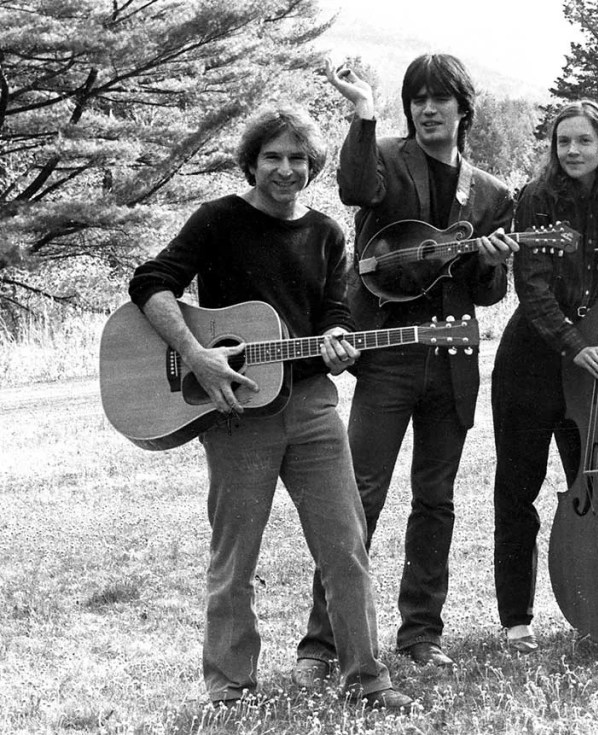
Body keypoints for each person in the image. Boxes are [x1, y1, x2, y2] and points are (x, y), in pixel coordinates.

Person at [127, 107, 412, 709]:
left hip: (312, 407)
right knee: (236, 556)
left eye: (298, 159)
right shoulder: (218, 220)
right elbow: (150, 281)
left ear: (313, 166)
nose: (285, 170)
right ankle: (228, 686)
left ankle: (366, 677)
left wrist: (338, 344)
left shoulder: (329, 234)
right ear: (252, 162)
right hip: (236, 412)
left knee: (346, 548)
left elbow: (335, 310)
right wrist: (197, 354)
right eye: (273, 157)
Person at [293, 53, 517, 677]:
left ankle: (421, 632)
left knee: (435, 499)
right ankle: (324, 641)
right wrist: (362, 113)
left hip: (452, 360)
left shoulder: (493, 194)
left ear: (463, 107)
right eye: (416, 98)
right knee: (357, 496)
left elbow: (489, 291)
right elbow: (353, 190)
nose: (426, 108)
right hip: (387, 354)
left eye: (439, 98)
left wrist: (493, 261)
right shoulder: (385, 159)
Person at [490, 100, 598, 653]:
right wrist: (574, 346)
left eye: (584, 141)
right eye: (564, 142)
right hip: (533, 362)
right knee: (519, 490)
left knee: (595, 485)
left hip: (591, 366)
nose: (573, 152)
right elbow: (531, 286)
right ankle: (517, 618)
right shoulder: (536, 197)